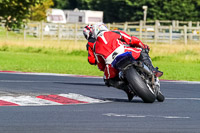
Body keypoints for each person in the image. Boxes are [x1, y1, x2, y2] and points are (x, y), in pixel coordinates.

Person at [92, 22, 163, 101]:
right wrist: (143, 45)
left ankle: (128, 90)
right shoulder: (114, 32)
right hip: (124, 51)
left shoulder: (95, 46)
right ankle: (152, 69)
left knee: (108, 80)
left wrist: (106, 69)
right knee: (142, 51)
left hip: (111, 62)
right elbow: (131, 40)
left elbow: (101, 65)